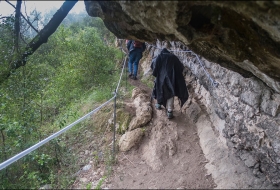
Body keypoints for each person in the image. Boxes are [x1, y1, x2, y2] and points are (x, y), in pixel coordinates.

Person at [151, 47, 189, 119]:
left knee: (160, 90)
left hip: (161, 77)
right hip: (171, 77)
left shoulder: (159, 56)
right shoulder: (173, 57)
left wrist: (156, 74)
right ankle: (170, 111)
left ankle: (159, 104)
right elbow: (180, 67)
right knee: (171, 93)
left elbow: (154, 66)